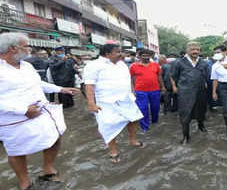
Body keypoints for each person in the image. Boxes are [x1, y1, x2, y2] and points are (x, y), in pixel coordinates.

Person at [0, 33, 79, 190]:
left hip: (41, 111)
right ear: (12, 48)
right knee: (17, 150)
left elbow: (39, 83)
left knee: (55, 137)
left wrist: (61, 89)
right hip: (13, 118)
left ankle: (47, 169)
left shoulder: (26, 65)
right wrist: (23, 110)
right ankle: (24, 181)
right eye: (26, 46)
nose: (30, 49)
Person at [84, 44, 144, 163]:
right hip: (106, 102)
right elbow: (89, 85)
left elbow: (128, 80)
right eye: (117, 52)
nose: (120, 54)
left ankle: (132, 140)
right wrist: (91, 103)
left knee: (135, 119)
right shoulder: (93, 65)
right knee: (108, 126)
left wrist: (132, 93)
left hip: (126, 99)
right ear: (107, 54)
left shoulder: (122, 64)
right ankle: (113, 150)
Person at [170, 42, 209, 144]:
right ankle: (186, 135)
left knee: (201, 110)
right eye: (192, 49)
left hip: (200, 91)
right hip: (185, 92)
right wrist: (174, 86)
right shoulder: (179, 62)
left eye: (197, 49)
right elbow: (173, 76)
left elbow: (207, 76)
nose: (195, 51)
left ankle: (201, 126)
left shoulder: (203, 63)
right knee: (185, 113)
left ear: (200, 51)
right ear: (187, 50)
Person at [130, 49, 166, 132]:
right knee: (143, 108)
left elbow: (159, 77)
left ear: (150, 56)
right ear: (139, 56)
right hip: (140, 91)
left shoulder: (155, 65)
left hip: (155, 90)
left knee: (155, 108)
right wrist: (132, 90)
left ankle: (155, 122)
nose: (146, 57)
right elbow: (131, 79)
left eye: (148, 56)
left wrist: (163, 87)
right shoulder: (133, 66)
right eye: (144, 56)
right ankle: (145, 127)